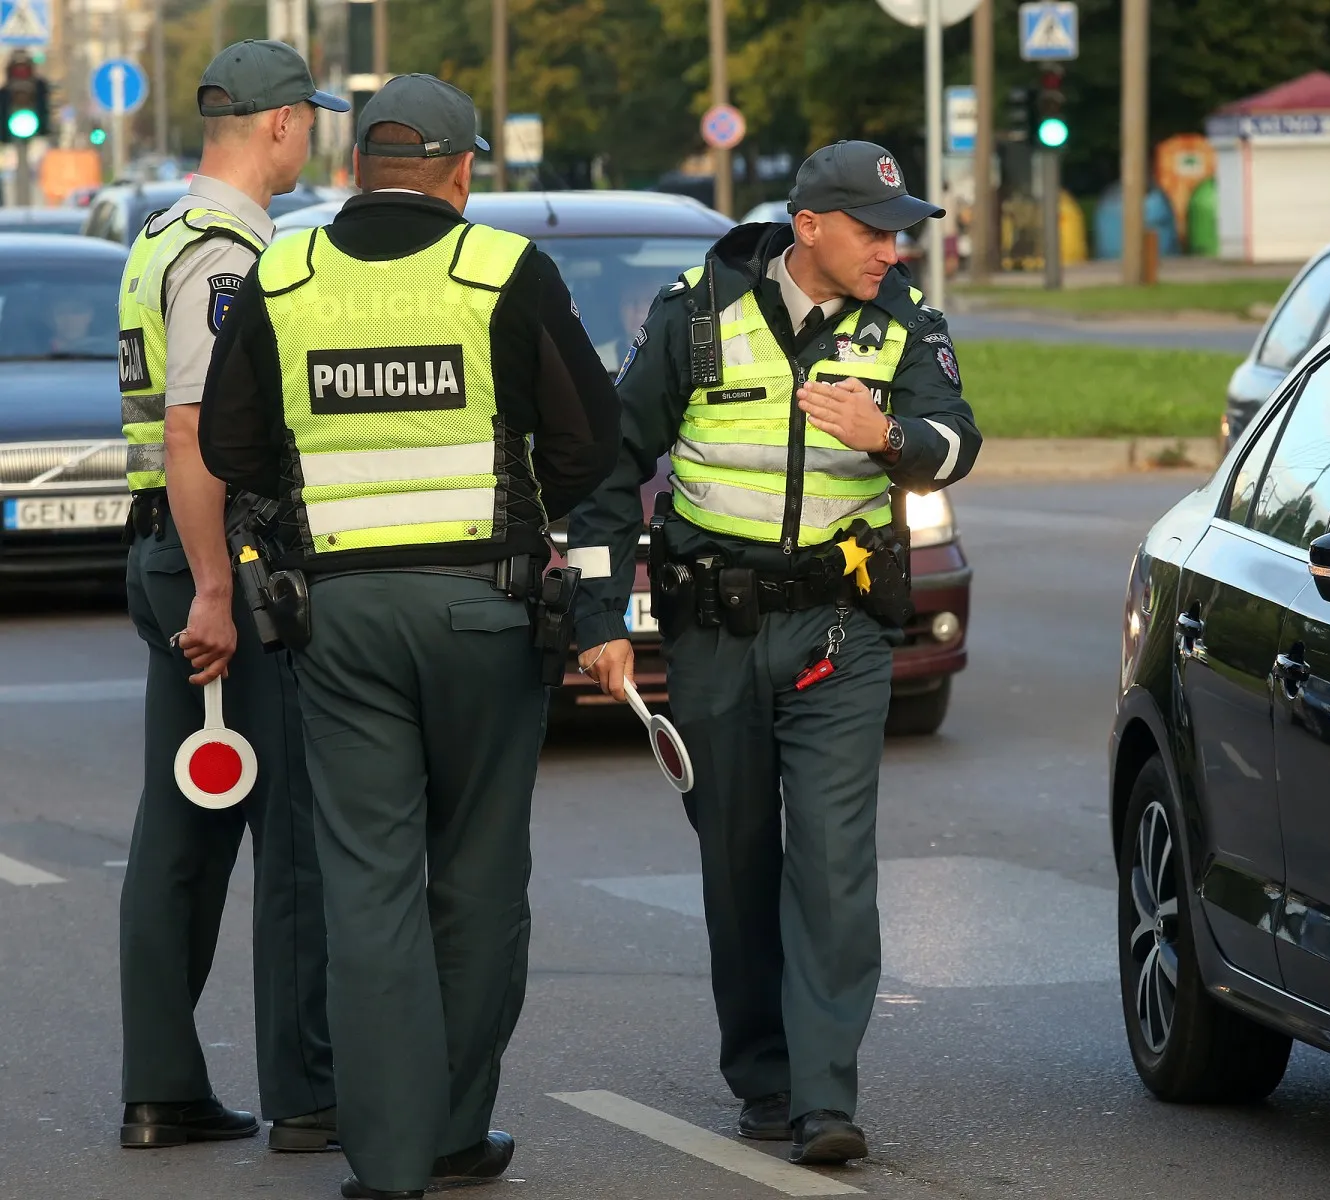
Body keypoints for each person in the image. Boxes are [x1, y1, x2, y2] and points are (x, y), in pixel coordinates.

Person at [198, 73, 620, 1200]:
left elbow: (233, 448)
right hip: (485, 615)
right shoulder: (503, 270)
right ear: (463, 171)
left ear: (356, 168)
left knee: (368, 884)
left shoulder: (284, 273)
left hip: (338, 621)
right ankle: (451, 1136)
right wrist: (520, 502)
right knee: (477, 879)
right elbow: (590, 444)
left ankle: (385, 1162)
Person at [568, 139, 981, 1165]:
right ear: (809, 228)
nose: (892, 250)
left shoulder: (907, 324)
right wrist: (598, 615)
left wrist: (888, 436)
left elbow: (958, 443)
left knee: (834, 865)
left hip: (839, 630)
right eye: (874, 232)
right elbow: (611, 465)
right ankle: (764, 1076)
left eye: (900, 233)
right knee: (738, 858)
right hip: (713, 632)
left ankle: (823, 1096)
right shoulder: (697, 315)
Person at [115, 38, 344, 1155]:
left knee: (186, 827)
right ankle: (309, 1094)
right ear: (284, 123)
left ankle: (162, 1087)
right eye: (313, 120)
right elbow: (193, 430)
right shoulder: (227, 254)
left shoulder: (161, 229)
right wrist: (217, 587)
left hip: (169, 549)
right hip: (224, 560)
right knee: (289, 831)